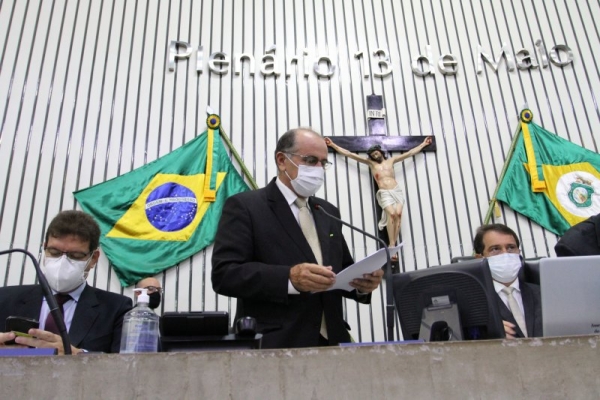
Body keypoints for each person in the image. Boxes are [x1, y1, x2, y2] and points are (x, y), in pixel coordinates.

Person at [211, 128, 384, 349]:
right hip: (275, 344)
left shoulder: (326, 210)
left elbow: (340, 271)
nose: (319, 169)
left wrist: (361, 284)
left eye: (323, 163)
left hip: (332, 342)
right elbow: (225, 274)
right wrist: (289, 278)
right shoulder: (245, 206)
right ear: (282, 160)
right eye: (311, 160)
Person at [0, 210, 132, 354]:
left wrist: (78, 356)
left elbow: (128, 367)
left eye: (75, 255)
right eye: (54, 252)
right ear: (44, 249)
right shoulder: (4, 299)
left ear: (93, 258)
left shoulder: (117, 309)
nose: (62, 262)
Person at [325, 137, 432, 255]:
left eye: (376, 153)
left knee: (399, 214)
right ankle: (392, 244)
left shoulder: (391, 161)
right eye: (372, 155)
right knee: (391, 214)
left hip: (396, 191)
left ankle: (393, 243)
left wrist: (423, 144)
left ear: (381, 152)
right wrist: (333, 145)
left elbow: (410, 153)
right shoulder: (371, 163)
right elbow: (349, 154)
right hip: (384, 192)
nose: (375, 155)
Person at [473, 223, 543, 339]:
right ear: (480, 258)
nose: (506, 254)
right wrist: (488, 333)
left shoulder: (543, 294)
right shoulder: (473, 302)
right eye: (495, 249)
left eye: (511, 247)